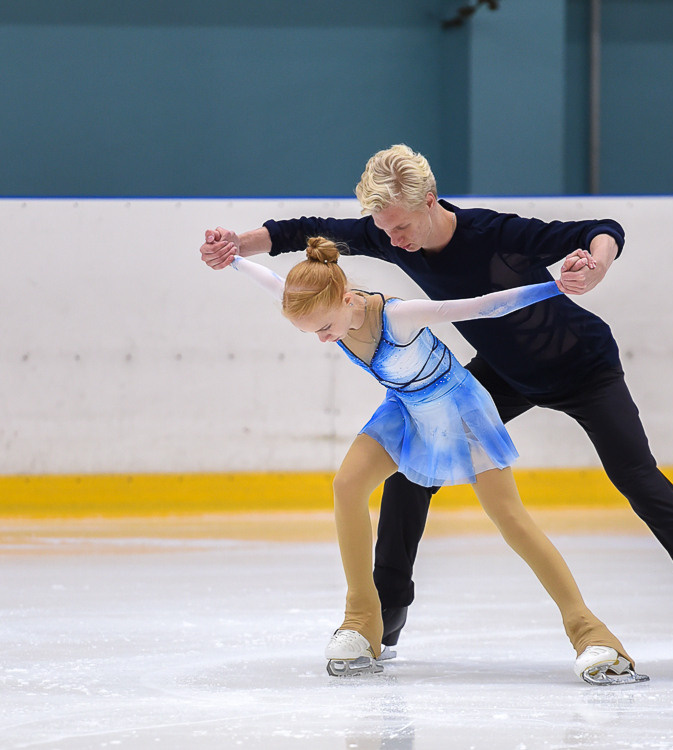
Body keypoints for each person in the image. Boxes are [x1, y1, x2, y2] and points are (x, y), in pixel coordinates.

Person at [200, 144, 673, 681]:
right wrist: (235, 245)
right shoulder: (387, 232)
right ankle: (386, 608)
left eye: (401, 225)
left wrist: (597, 264)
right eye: (383, 228)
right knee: (411, 467)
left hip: (583, 366)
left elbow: (599, 229)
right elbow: (300, 233)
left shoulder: (493, 232)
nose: (393, 239)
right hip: (506, 372)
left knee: (638, 480)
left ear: (430, 201)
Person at [215, 234, 647, 685]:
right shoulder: (317, 299)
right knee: (346, 486)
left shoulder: (398, 318)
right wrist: (233, 259)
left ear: (345, 299)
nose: (324, 339)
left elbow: (481, 305)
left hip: (458, 409)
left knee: (509, 517)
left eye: (326, 327)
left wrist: (554, 287)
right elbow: (269, 278)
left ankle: (591, 633)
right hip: (404, 408)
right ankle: (361, 621)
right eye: (313, 333)